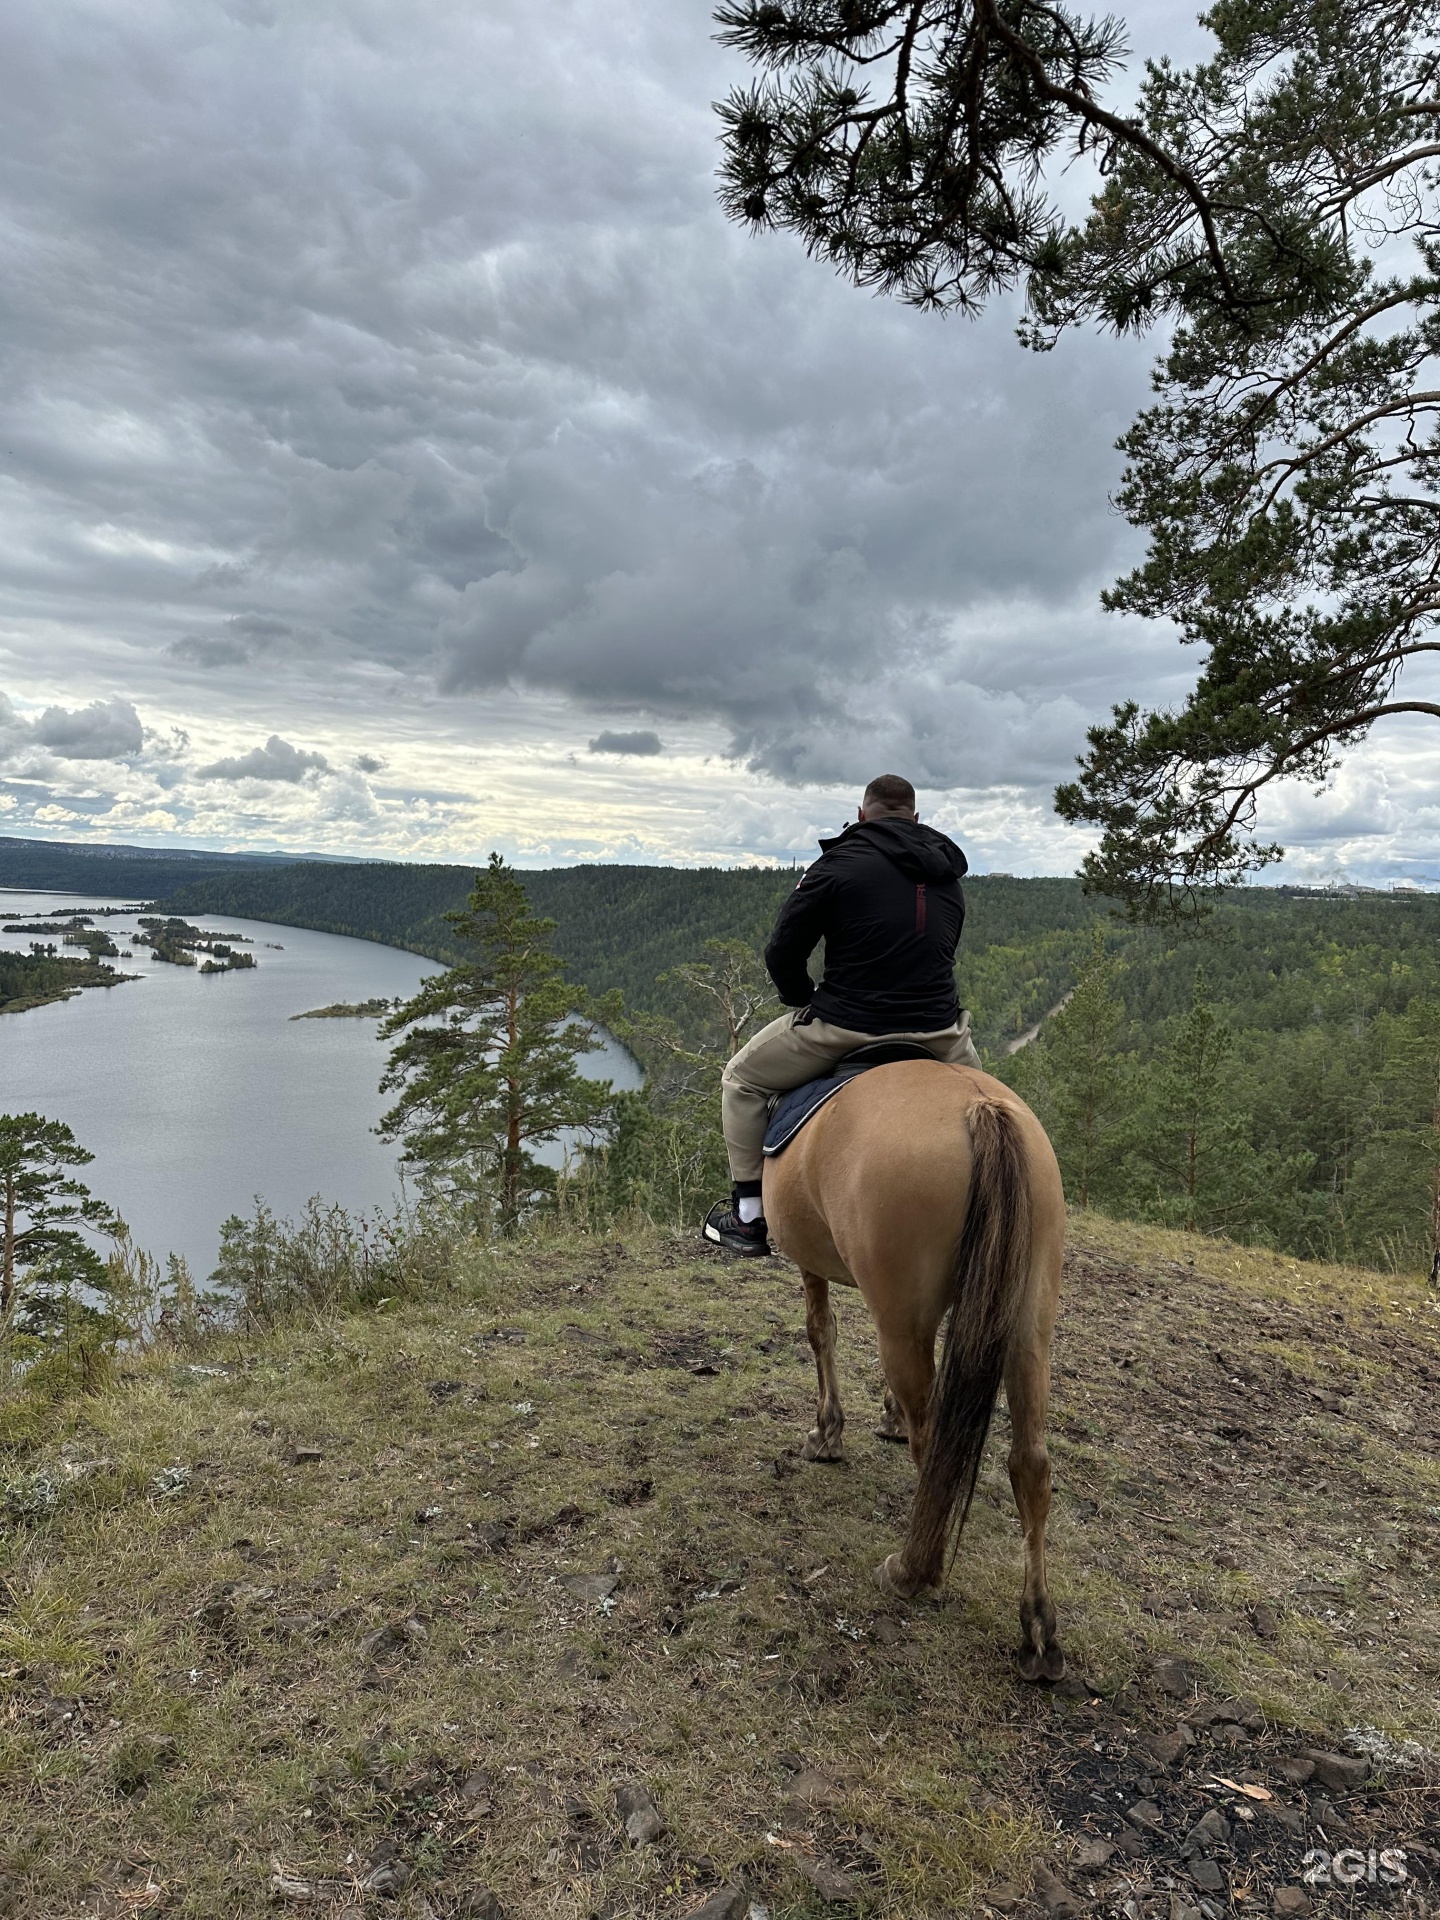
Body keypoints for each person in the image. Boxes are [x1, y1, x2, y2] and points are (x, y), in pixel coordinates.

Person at [703, 773, 981, 1255]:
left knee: (740, 1080)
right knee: (993, 1111)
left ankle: (749, 1217)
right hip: (942, 1033)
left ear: (861, 815)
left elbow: (782, 952)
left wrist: (803, 997)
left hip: (846, 1026)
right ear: (915, 818)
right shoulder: (948, 877)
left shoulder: (834, 866)